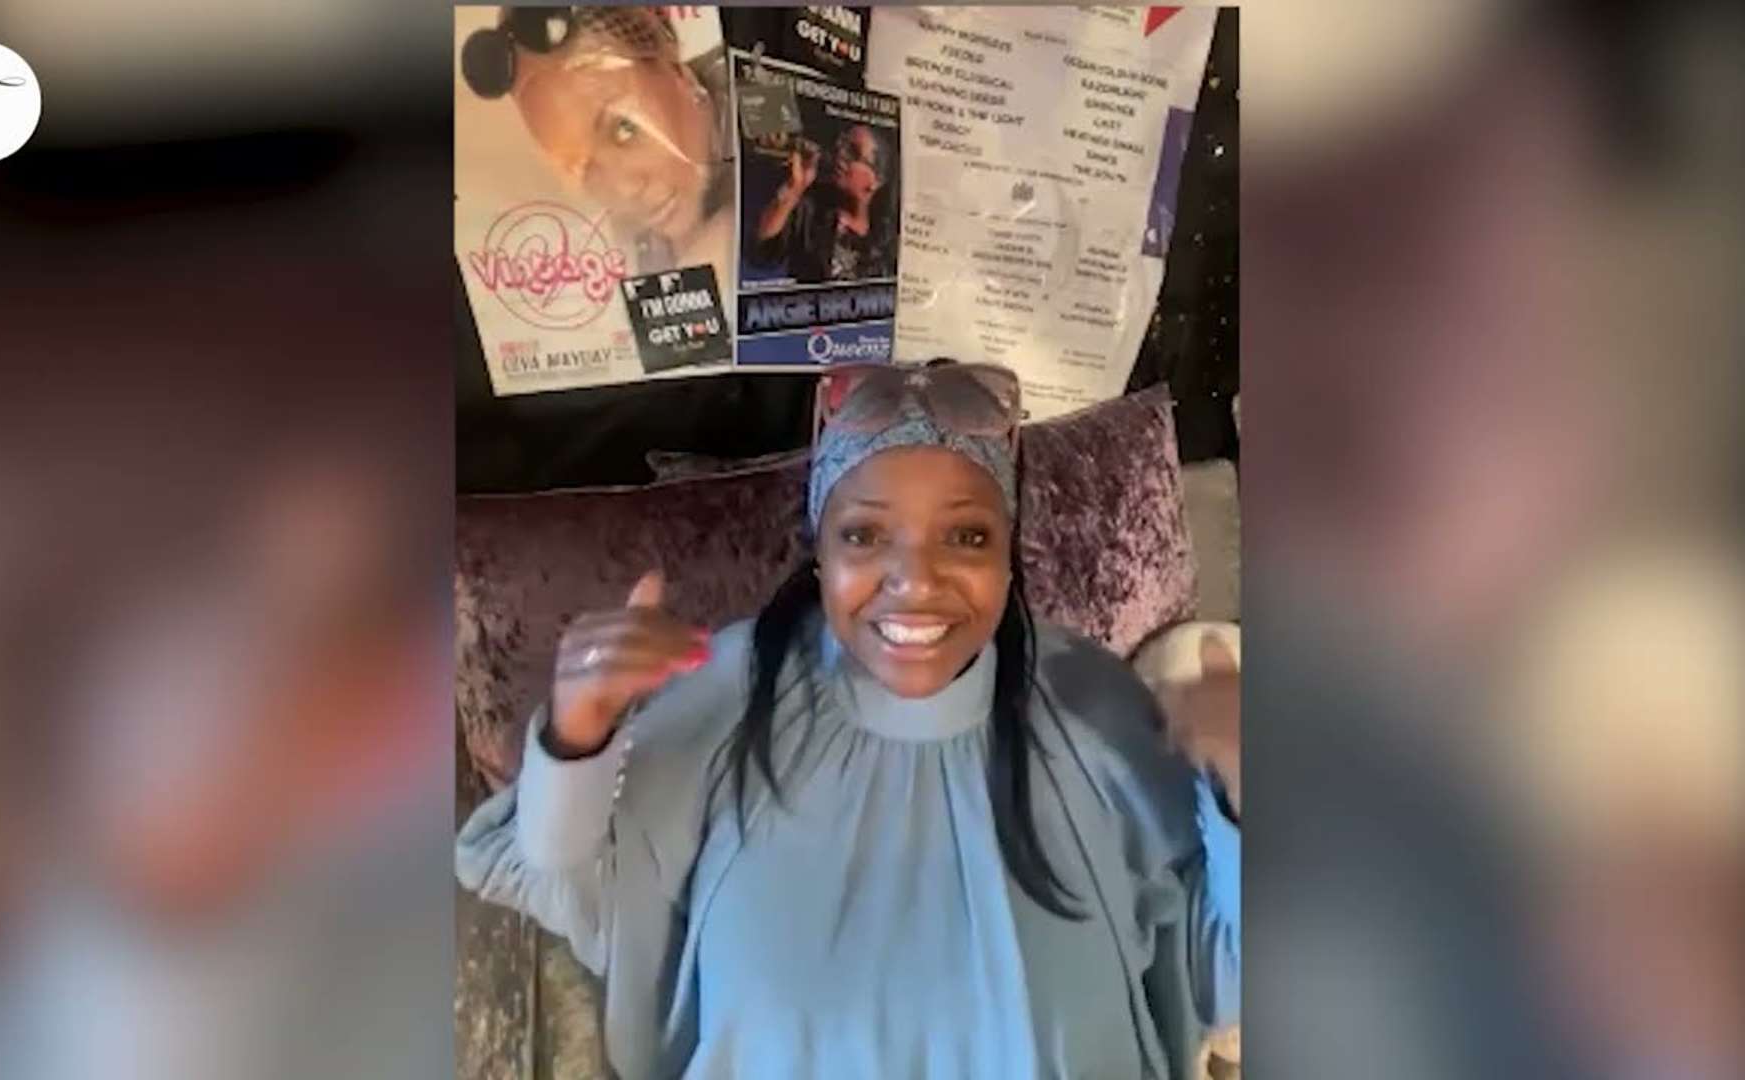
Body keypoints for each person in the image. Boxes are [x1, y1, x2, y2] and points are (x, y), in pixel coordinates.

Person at [458, 361, 1241, 1079]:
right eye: (864, 535)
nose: (915, 581)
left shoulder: (1093, 705)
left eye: (967, 536)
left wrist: (1246, 790)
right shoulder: (731, 692)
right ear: (820, 551)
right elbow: (560, 875)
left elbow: (1221, 968)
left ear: (1010, 553)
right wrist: (577, 735)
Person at [461, 6, 735, 281]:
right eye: (585, 168)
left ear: (676, 71)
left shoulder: (750, 92)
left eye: (625, 129)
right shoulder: (626, 243)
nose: (623, 189)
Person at [748, 123, 899, 284]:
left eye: (853, 152)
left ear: (876, 180)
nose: (841, 154)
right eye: (842, 144)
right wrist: (794, 187)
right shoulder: (812, 210)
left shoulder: (886, 240)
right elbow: (761, 253)